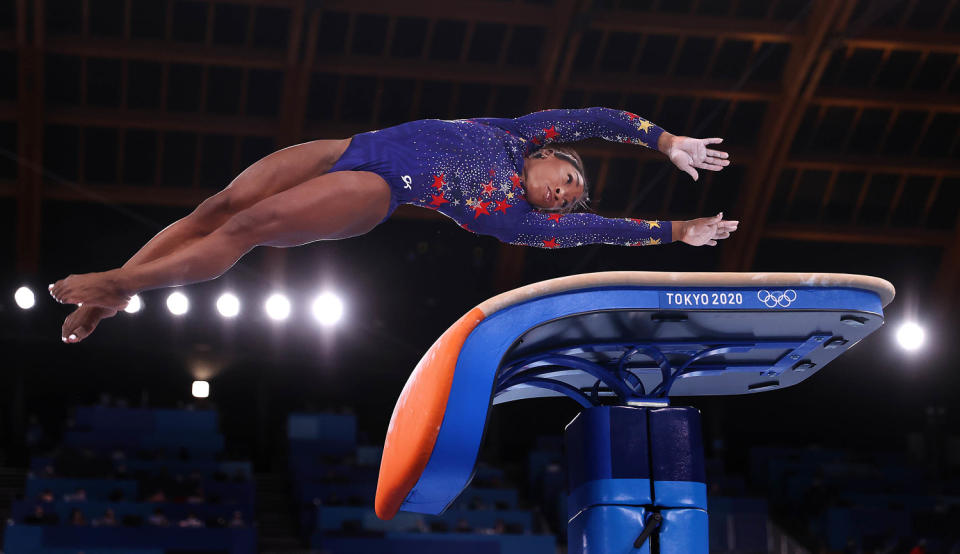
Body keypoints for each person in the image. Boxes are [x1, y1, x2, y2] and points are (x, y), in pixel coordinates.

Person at [50, 107, 737, 342]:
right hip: (353, 144)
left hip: (378, 186)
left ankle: (115, 283)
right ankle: (124, 291)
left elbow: (606, 233)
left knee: (251, 223)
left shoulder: (523, 222)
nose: (565, 197)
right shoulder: (519, 133)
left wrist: (679, 232)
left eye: (570, 200)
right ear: (550, 155)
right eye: (569, 181)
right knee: (214, 209)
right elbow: (600, 120)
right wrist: (666, 141)